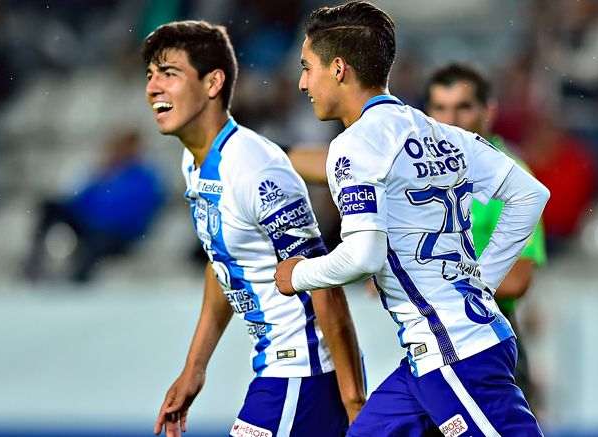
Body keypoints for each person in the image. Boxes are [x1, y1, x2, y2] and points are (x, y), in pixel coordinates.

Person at [274, 2, 549, 436]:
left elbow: (363, 255)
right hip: (431, 356)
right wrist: (482, 284)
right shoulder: (441, 133)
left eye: (308, 67)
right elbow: (530, 195)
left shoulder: (355, 146)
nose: (303, 82)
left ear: (339, 68)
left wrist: (300, 274)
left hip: (457, 354)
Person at [142, 20, 365, 437]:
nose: (153, 88)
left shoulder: (255, 169)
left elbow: (324, 283)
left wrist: (355, 404)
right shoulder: (194, 163)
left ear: (213, 83)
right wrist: (194, 369)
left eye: (169, 74)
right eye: (151, 76)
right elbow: (224, 261)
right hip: (281, 372)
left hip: (304, 375)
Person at [425, 62, 547, 406]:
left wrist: (429, 278)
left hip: (488, 332)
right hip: (431, 335)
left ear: (488, 112)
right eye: (440, 108)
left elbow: (518, 279)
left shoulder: (513, 179)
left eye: (463, 107)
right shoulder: (419, 176)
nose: (450, 120)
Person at [23, 131, 164, 283]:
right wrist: (98, 177)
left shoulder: (146, 177)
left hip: (118, 233)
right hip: (90, 224)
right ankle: (35, 264)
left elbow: (143, 212)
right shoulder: (107, 173)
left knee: (95, 245)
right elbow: (80, 201)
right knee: (50, 207)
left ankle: (77, 284)